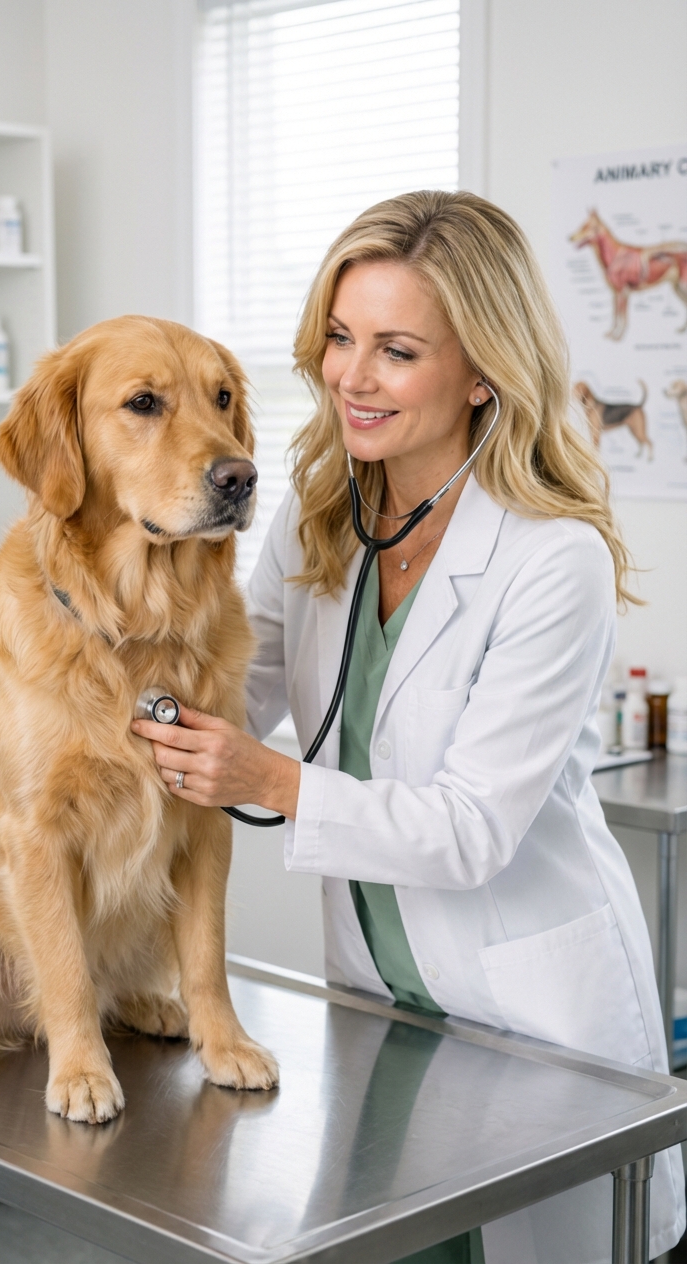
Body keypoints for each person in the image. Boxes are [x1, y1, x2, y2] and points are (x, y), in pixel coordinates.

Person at [130, 190, 686, 1264]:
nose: (350, 374)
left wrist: (276, 781)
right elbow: (239, 700)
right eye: (339, 338)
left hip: (536, 1024)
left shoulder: (548, 556)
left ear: (480, 368)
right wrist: (73, 666)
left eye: (394, 349)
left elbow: (470, 828)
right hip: (386, 1014)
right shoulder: (314, 508)